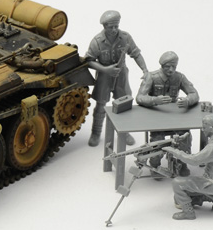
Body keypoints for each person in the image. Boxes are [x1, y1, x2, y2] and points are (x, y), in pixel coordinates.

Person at [85, 10, 148, 147]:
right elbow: (88, 61)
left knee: (124, 104)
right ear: (104, 26)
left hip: (121, 75)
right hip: (104, 76)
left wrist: (144, 69)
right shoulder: (97, 41)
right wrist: (105, 69)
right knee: (101, 105)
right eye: (110, 27)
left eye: (116, 26)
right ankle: (96, 133)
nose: (114, 29)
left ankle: (124, 132)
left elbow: (136, 54)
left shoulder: (125, 37)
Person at [136, 51, 199, 175]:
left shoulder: (179, 77)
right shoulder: (152, 77)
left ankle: (181, 162)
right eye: (168, 66)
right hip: (156, 119)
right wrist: (155, 100)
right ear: (162, 65)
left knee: (185, 136)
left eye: (174, 66)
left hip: (175, 118)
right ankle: (155, 165)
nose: (171, 70)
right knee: (157, 140)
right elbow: (140, 97)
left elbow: (194, 94)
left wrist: (187, 101)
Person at [165, 114, 213, 220]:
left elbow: (194, 160)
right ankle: (212, 198)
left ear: (211, 128)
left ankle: (188, 213)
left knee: (177, 183)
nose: (202, 129)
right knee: (178, 197)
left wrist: (175, 152)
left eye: (204, 127)